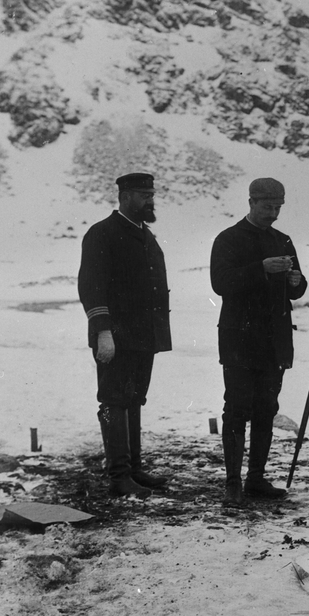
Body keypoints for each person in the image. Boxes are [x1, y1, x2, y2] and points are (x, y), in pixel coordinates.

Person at [210, 178, 307, 505]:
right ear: (251, 203)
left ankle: (256, 479)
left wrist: (296, 281)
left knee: (267, 410)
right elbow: (220, 283)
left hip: (273, 341)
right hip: (239, 340)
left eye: (278, 207)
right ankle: (233, 482)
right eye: (268, 207)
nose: (274, 214)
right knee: (236, 409)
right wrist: (261, 269)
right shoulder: (228, 239)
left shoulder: (283, 240)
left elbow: (297, 287)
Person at [77, 172, 173, 499]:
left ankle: (133, 469)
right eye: (144, 194)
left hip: (143, 336)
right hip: (116, 336)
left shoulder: (145, 235)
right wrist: (103, 331)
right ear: (125, 196)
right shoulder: (102, 234)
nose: (151, 199)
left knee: (133, 399)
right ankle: (118, 476)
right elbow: (91, 286)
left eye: (152, 193)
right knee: (114, 400)